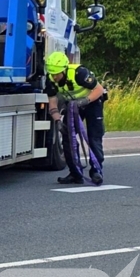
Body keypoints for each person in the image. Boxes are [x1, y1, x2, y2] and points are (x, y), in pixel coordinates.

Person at [45, 51, 106, 185]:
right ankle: (75, 173)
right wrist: (57, 120)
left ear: (65, 69)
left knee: (94, 137)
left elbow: (99, 90)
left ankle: (96, 171)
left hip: (92, 103)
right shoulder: (50, 78)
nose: (55, 77)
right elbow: (52, 102)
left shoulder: (80, 73)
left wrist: (85, 100)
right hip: (73, 107)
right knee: (67, 138)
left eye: (57, 74)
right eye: (52, 74)